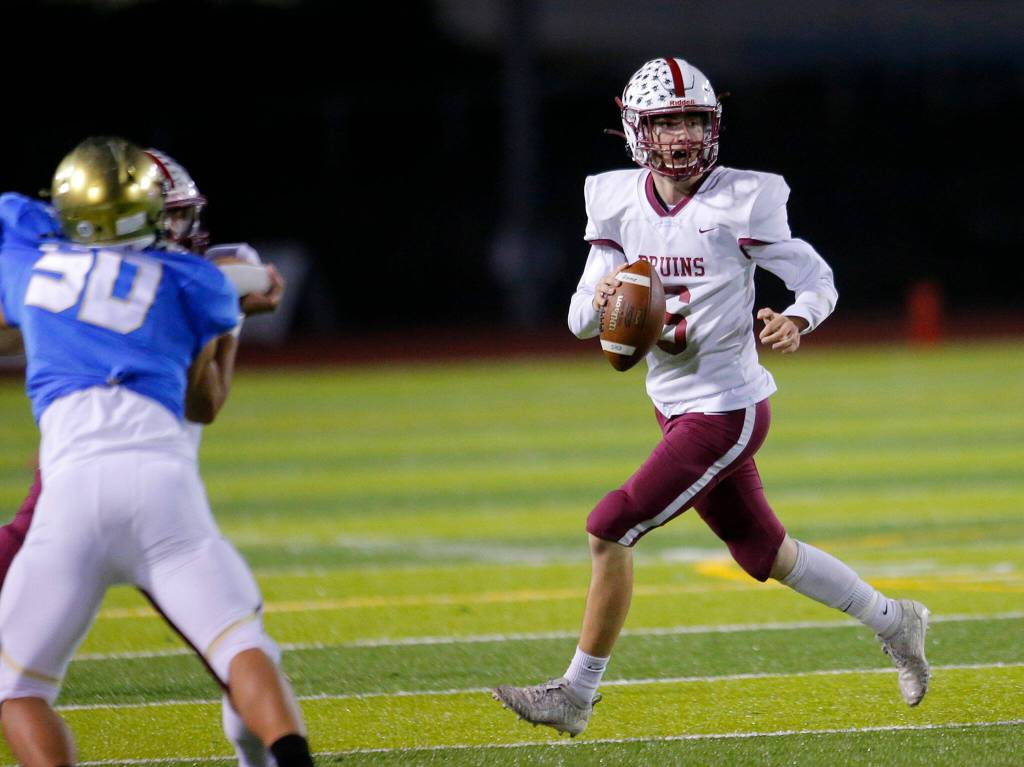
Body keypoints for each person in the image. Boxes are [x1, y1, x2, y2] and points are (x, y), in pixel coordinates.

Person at [492, 57, 930, 737]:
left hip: (726, 407)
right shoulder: (614, 198)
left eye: (695, 119)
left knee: (610, 524)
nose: (684, 135)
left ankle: (576, 694)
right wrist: (607, 300)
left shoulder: (743, 198)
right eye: (668, 122)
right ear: (637, 129)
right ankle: (895, 619)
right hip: (669, 400)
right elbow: (582, 320)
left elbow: (817, 277)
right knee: (763, 550)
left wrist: (798, 316)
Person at [0, 137, 314, 766]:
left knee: (19, 688)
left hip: (70, 491)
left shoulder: (33, 263)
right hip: (163, 495)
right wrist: (230, 316)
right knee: (243, 646)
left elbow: (20, 216)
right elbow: (205, 402)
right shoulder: (195, 280)